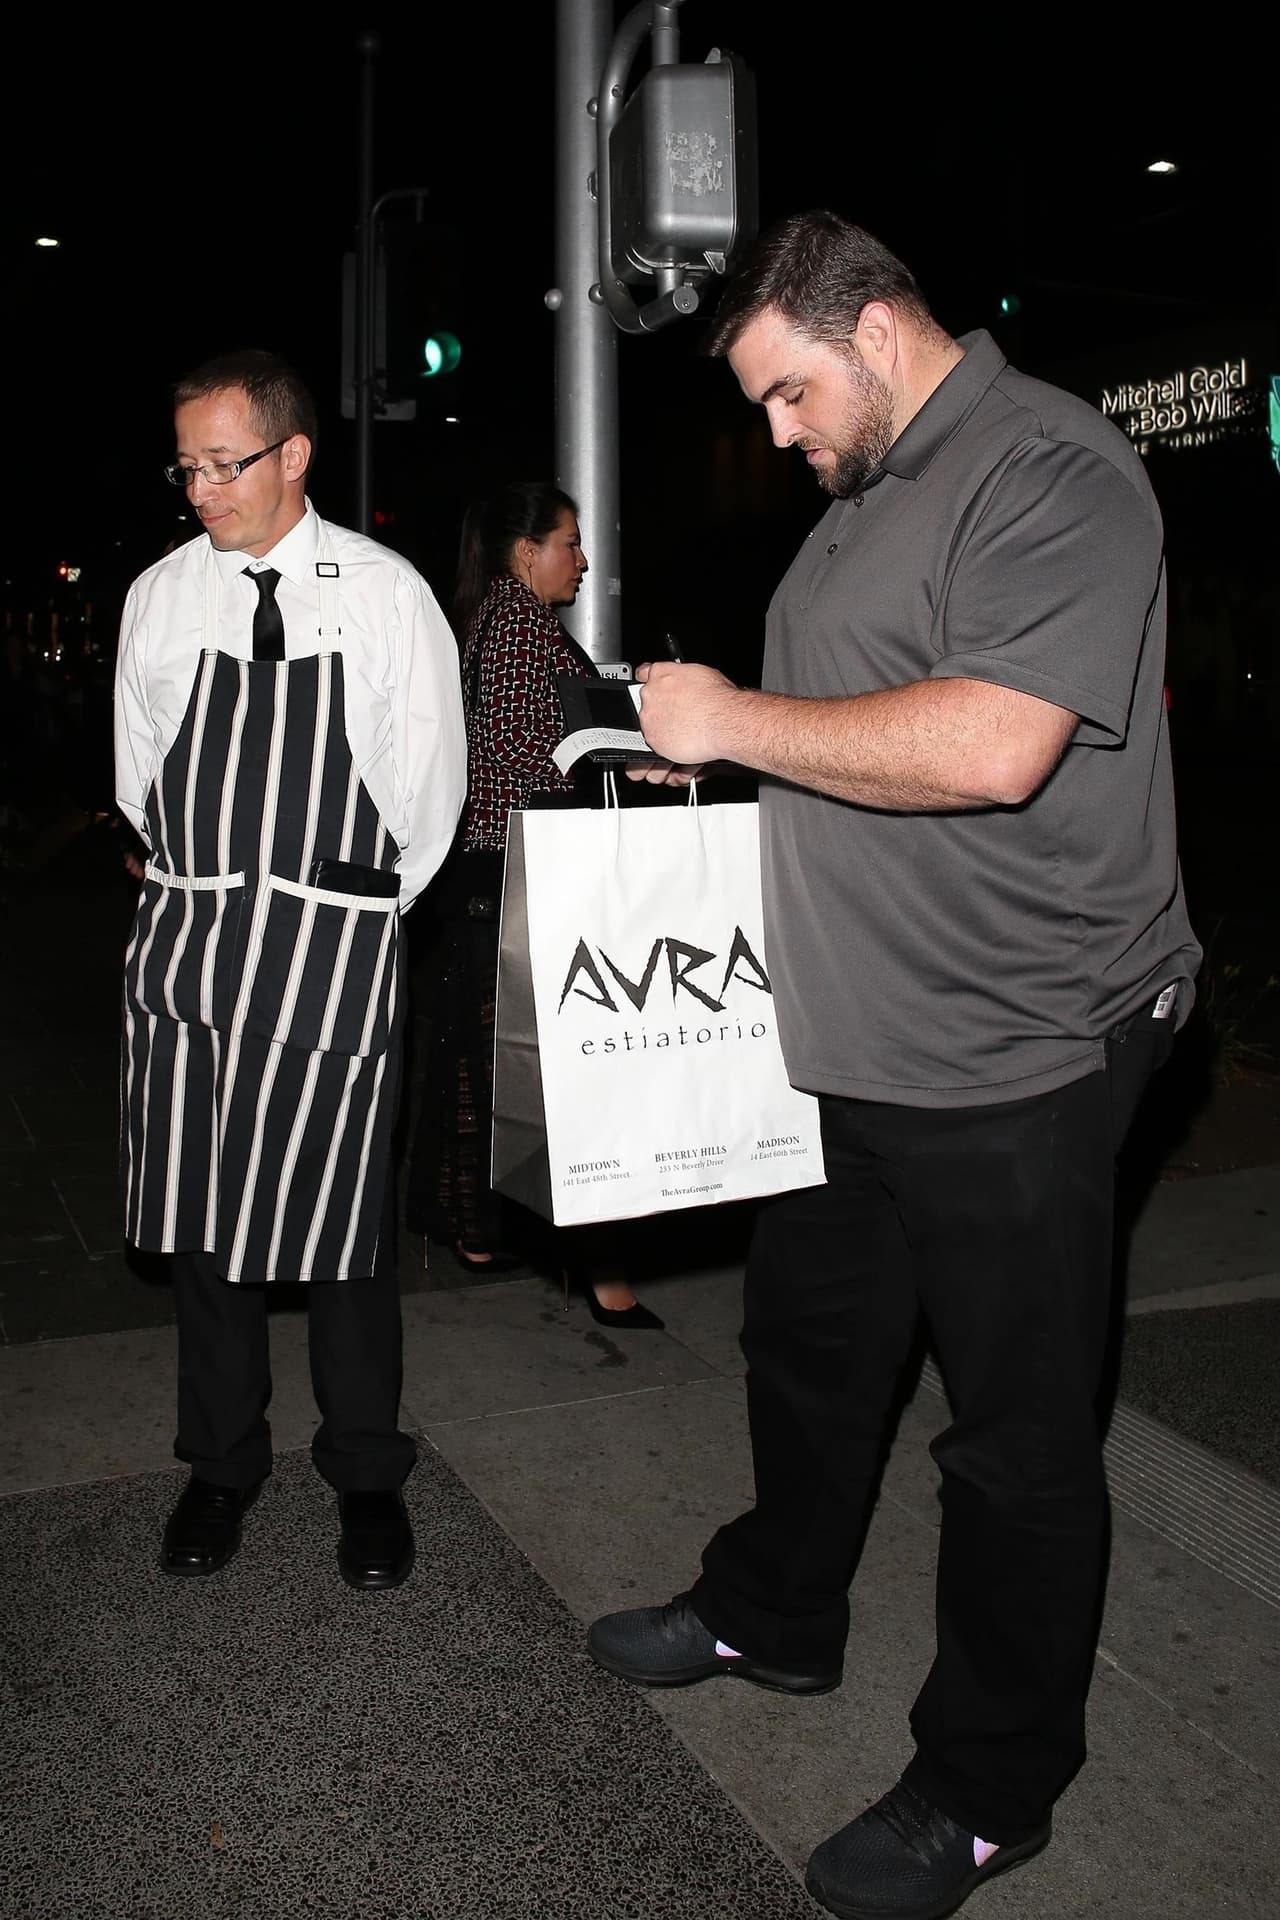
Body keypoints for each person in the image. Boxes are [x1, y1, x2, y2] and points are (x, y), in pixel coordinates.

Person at [585, 211, 1203, 1920]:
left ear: (871, 329)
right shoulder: (865, 500)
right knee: (810, 1347)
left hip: (1017, 1044)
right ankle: (773, 1610)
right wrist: (709, 766)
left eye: (789, 394)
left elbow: (995, 746)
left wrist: (734, 723)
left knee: (1012, 1437)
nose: (777, 435)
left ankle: (994, 1784)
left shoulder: (1049, 466)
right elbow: (848, 738)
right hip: (859, 1038)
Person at [113, 348, 466, 1592]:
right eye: (188, 466)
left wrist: (340, 910)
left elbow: (429, 798)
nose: (202, 488)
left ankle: (365, 1475)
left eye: (225, 462)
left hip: (331, 946)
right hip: (196, 947)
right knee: (206, 1226)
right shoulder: (161, 597)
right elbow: (137, 775)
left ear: (293, 455)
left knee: (342, 1235)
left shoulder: (381, 594)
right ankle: (220, 1464)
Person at [403, 481, 663, 1330]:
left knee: (487, 1061)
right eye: (569, 542)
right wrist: (633, 742)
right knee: (557, 1066)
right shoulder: (519, 629)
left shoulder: (490, 619)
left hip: (487, 879)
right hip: (522, 877)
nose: (582, 561)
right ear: (528, 552)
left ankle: (478, 1230)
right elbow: (528, 759)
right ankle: (592, 1266)